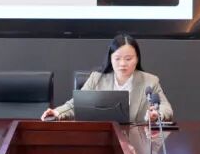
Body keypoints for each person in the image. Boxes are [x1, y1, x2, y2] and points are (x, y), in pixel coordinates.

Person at [42, 34, 173, 123]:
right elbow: (75, 105)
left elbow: (166, 108)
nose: (123, 64)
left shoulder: (150, 81)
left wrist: (157, 115)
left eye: (128, 59)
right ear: (110, 59)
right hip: (103, 138)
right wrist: (57, 112)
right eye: (117, 58)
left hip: (138, 142)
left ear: (137, 59)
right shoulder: (97, 79)